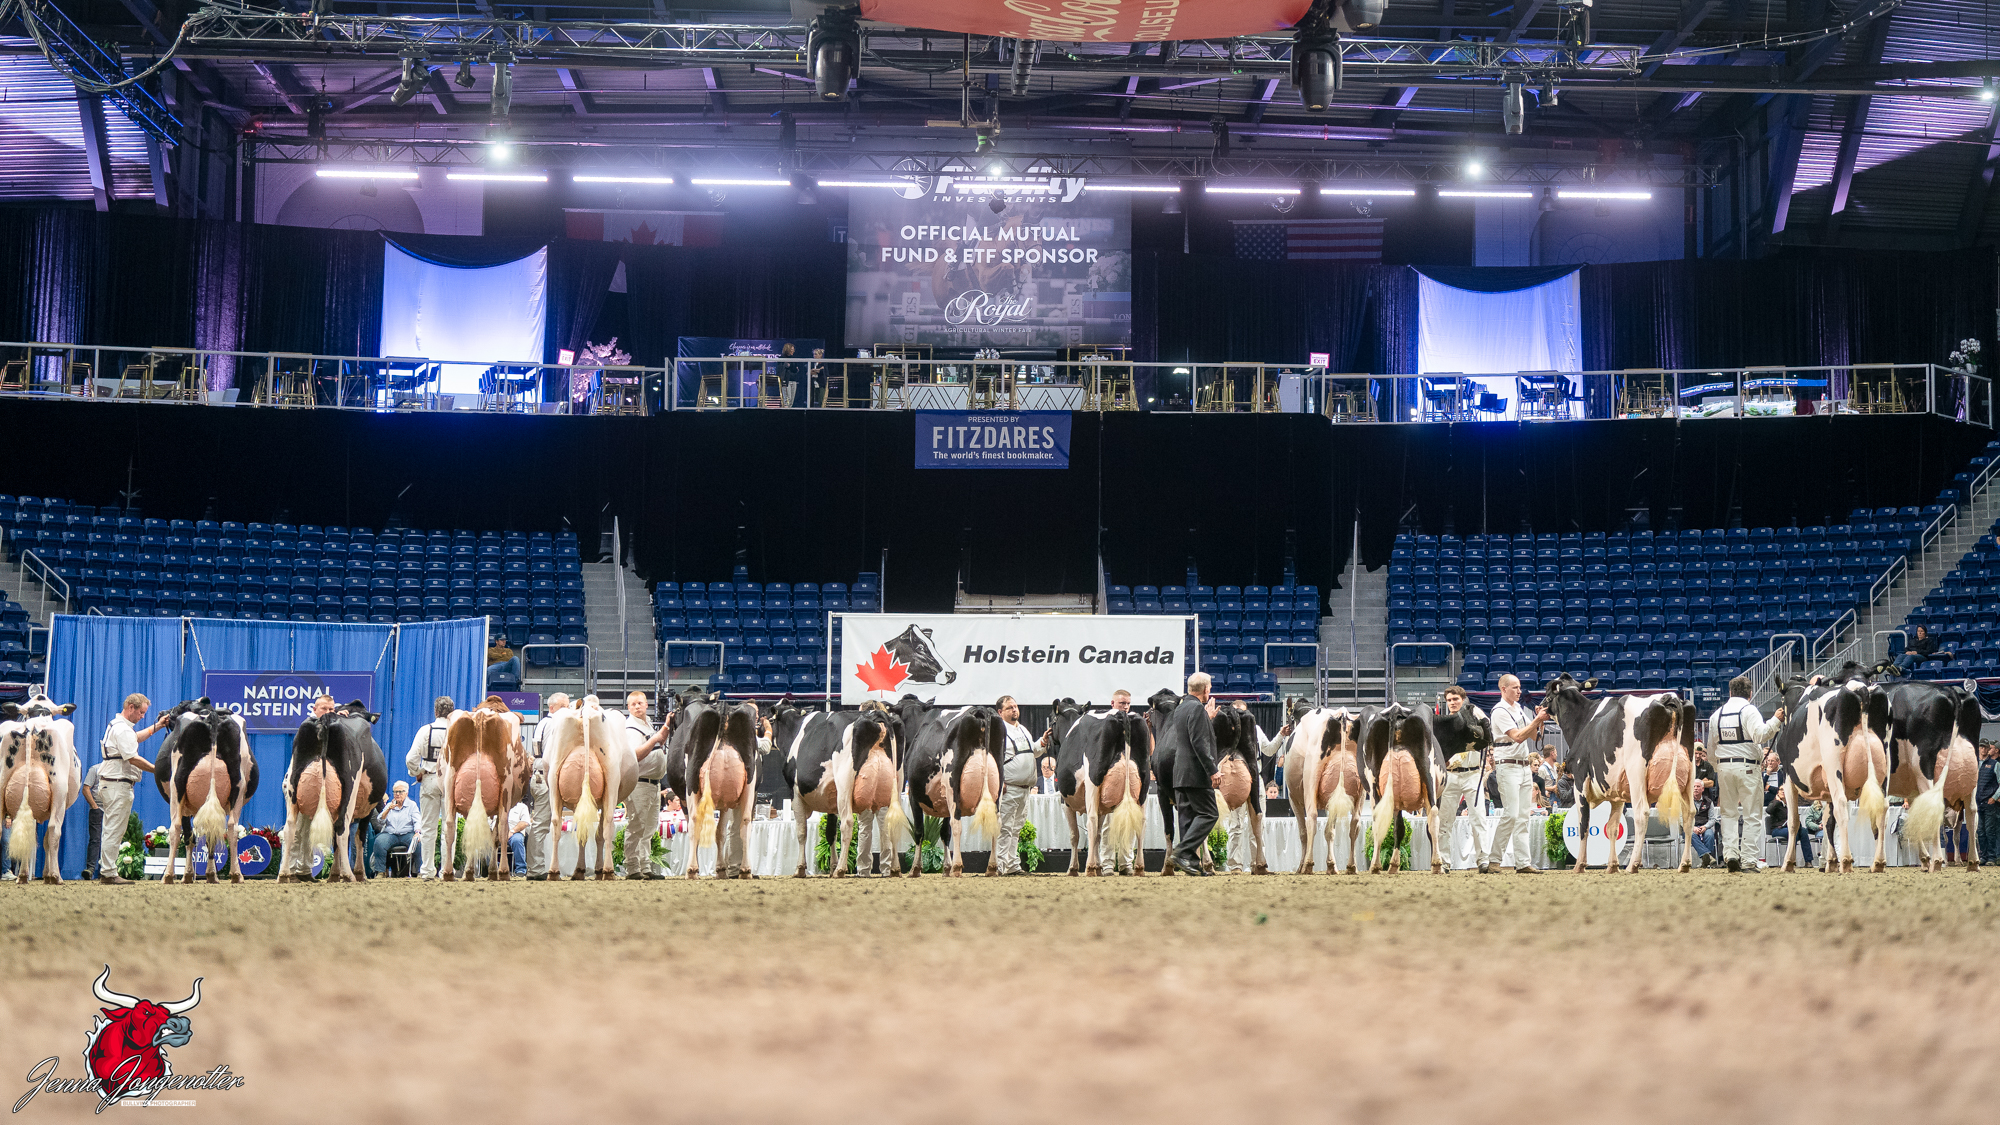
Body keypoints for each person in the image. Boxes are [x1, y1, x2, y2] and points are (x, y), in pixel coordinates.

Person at [1706, 675, 1785, 873]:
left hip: (1724, 767)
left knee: (1728, 814)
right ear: (1750, 693)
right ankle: (1749, 860)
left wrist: (1719, 767)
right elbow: (1760, 735)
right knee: (1752, 815)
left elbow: (1710, 749)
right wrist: (1776, 720)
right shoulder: (1749, 710)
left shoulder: (1717, 715)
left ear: (1730, 692)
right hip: (1748, 767)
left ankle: (1731, 855)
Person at [96, 694, 166, 884]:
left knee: (112, 829)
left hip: (113, 783)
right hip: (117, 784)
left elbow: (135, 738)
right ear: (131, 707)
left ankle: (108, 871)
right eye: (141, 712)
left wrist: (158, 726)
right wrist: (157, 770)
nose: (142, 716)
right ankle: (108, 873)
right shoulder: (122, 729)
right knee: (114, 830)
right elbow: (132, 758)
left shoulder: (119, 726)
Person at [1481, 673, 1545, 875]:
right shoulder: (1499, 711)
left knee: (1523, 815)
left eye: (1519, 687)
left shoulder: (1519, 708)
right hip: (1507, 766)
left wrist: (1538, 721)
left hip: (1524, 766)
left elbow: (1534, 736)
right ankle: (1494, 860)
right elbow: (1517, 737)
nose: (1519, 691)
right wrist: (1536, 720)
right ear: (1503, 689)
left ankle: (1523, 862)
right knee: (1511, 814)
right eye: (1515, 687)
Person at [1162, 673, 1221, 877]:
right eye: (1209, 687)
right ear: (1206, 689)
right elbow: (1199, 743)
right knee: (1209, 814)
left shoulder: (1181, 708)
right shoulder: (1197, 709)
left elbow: (1190, 736)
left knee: (1187, 818)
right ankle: (1182, 852)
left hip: (1180, 773)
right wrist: (1213, 770)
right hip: (1196, 774)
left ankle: (1192, 864)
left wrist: (1207, 718)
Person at [1434, 684, 1491, 871]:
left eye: (1455, 699)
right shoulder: (1443, 723)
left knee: (1478, 818)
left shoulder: (1474, 714)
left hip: (1473, 773)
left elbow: (1487, 730)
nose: (1452, 703)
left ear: (1463, 699)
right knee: (1445, 820)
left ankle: (1483, 860)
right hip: (1450, 775)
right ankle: (1443, 861)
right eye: (1449, 700)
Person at [1220, 700, 1280, 875]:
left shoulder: (1256, 729)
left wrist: (1281, 735)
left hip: (1255, 777)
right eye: (1236, 711)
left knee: (1258, 823)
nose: (1239, 715)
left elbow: (1268, 750)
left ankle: (1257, 862)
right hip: (1236, 777)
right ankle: (1235, 865)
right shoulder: (1227, 730)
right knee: (1236, 824)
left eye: (1242, 712)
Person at [405, 696, 455, 880]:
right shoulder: (456, 730)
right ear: (451, 712)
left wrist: (417, 772)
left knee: (428, 827)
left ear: (435, 711)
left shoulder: (425, 730)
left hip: (429, 778)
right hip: (450, 780)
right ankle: (447, 869)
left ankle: (427, 870)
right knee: (449, 826)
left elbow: (411, 758)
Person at [622, 691, 668, 880]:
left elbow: (658, 743)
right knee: (636, 826)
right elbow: (636, 755)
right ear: (628, 707)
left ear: (647, 704)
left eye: (640, 703)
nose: (637, 707)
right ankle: (633, 868)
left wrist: (666, 727)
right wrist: (655, 739)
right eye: (633, 704)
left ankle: (645, 867)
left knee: (649, 828)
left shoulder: (647, 723)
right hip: (639, 783)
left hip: (654, 784)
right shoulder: (630, 728)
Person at [993, 696, 1038, 876]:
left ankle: (1012, 864)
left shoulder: (1023, 729)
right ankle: (999, 865)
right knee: (1005, 827)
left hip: (1025, 788)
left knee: (1016, 828)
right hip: (1009, 787)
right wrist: (999, 780)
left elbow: (1033, 751)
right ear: (1000, 712)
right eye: (1009, 707)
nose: (1014, 710)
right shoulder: (999, 731)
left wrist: (1042, 743)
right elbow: (993, 757)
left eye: (1015, 706)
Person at [526, 693, 569, 879]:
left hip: (539, 775)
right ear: (552, 707)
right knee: (541, 824)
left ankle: (536, 867)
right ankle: (535, 869)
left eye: (568, 706)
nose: (567, 710)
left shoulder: (543, 722)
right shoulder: (554, 723)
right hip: (545, 777)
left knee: (541, 823)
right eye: (563, 706)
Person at [1765, 750, 1811, 868]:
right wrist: (1777, 801)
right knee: (1792, 832)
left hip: (1788, 827)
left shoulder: (1790, 804)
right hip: (1777, 829)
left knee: (1803, 831)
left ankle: (1808, 861)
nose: (1783, 792)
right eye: (1781, 790)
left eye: (1784, 790)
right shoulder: (1775, 803)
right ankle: (1791, 858)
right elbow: (1768, 811)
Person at [369, 781, 421, 876]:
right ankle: (380, 872)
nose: (397, 794)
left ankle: (419, 871)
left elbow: (417, 820)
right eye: (395, 792)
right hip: (390, 834)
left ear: (406, 793)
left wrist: (417, 832)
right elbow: (380, 820)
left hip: (407, 834)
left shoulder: (412, 805)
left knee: (418, 842)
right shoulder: (390, 805)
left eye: (400, 792)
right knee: (379, 842)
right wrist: (388, 810)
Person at [1883, 624, 1950, 678]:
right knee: (1901, 655)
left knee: (1911, 656)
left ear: (1925, 632)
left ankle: (1901, 668)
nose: (1920, 633)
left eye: (1921, 631)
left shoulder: (1929, 640)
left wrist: (1917, 652)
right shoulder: (1913, 640)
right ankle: (1894, 667)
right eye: (1918, 631)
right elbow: (1907, 648)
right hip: (1912, 654)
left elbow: (1929, 651)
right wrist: (1907, 651)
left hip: (1923, 656)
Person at [80, 761, 103, 880]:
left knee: (111, 840)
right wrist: (94, 806)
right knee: (95, 839)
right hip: (98, 809)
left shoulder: (117, 771)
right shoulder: (95, 769)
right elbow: (86, 789)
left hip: (113, 811)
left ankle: (106, 871)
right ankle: (91, 869)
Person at [1979, 740, 2000, 865]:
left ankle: (1991, 857)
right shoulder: (1974, 764)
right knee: (1980, 831)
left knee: (1989, 830)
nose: (1983, 749)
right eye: (1981, 747)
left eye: (1985, 747)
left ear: (1988, 749)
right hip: (1977, 802)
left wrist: (1994, 797)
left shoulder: (1995, 764)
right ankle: (1983, 856)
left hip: (1989, 802)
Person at [1689, 778, 1718, 866]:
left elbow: (1712, 819)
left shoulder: (1708, 802)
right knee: (1691, 835)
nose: (1695, 788)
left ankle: (1705, 862)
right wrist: (1692, 828)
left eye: (1698, 786)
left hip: (1704, 826)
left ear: (1702, 789)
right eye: (1694, 786)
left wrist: (1705, 827)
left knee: (1709, 835)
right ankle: (1709, 858)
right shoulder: (1686, 801)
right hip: (1690, 827)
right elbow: (1681, 819)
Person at [507, 799, 531, 876]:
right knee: (488, 841)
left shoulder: (522, 806)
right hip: (498, 833)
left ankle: (521, 869)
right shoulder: (497, 805)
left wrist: (512, 831)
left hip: (515, 832)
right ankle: (493, 867)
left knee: (517, 840)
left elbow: (525, 822)